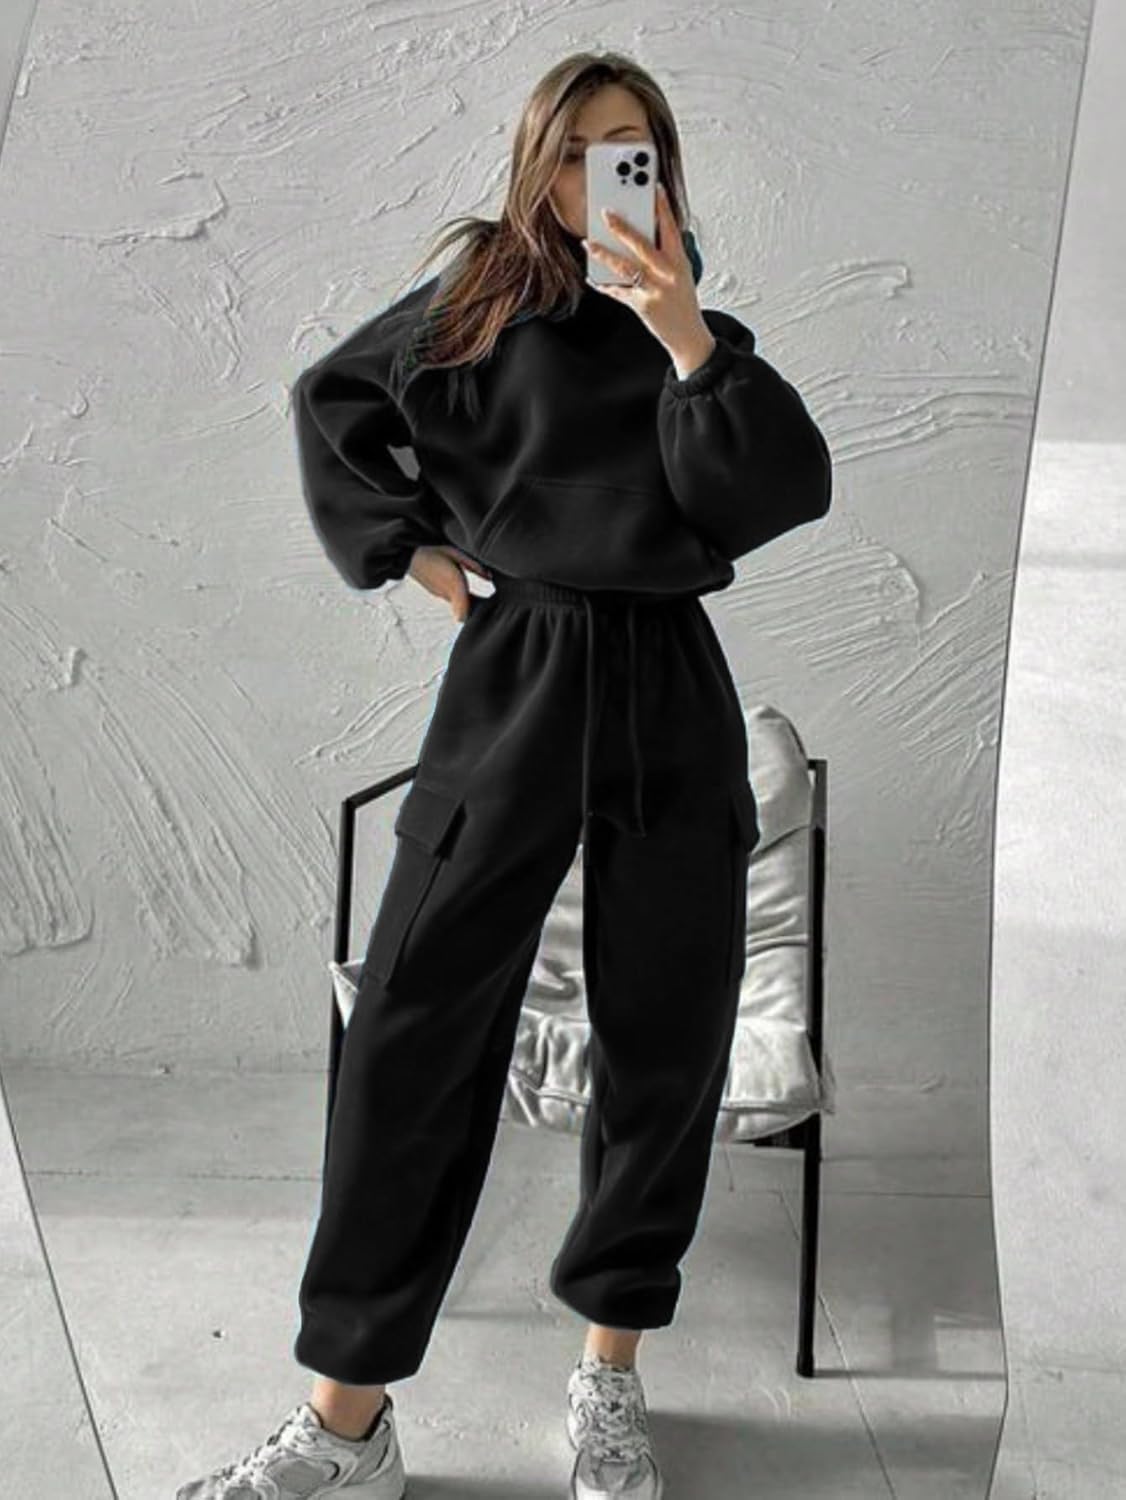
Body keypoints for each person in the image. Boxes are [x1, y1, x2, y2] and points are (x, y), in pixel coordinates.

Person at [175, 49, 830, 1500]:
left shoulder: (697, 330)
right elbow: (332, 398)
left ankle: (609, 1379)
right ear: (539, 163)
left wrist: (683, 336)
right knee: (412, 1022)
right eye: (577, 148)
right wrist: (402, 547)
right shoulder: (475, 303)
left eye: (629, 146)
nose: (602, 172)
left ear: (661, 165)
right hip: (517, 669)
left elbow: (781, 491)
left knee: (665, 1037)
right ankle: (345, 1423)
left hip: (667, 681)